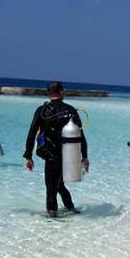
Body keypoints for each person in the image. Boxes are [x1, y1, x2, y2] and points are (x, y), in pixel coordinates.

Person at [23, 81, 89, 216]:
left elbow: (31, 134)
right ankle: (72, 209)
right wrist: (85, 157)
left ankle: (52, 220)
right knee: (59, 186)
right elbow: (81, 136)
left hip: (52, 156)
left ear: (48, 93)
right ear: (62, 92)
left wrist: (28, 156)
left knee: (51, 190)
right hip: (69, 155)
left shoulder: (42, 111)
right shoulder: (71, 110)